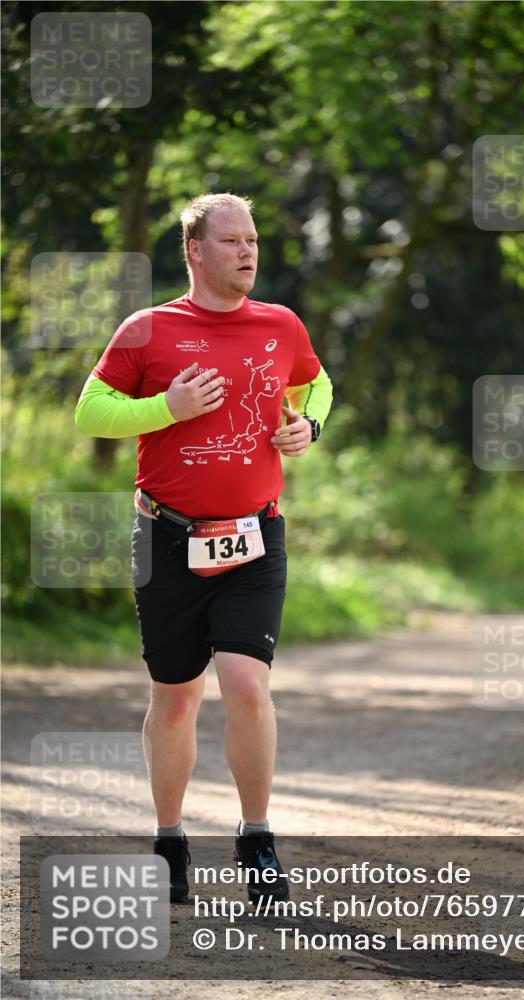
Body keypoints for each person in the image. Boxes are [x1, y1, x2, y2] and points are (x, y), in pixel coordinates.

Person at [75, 192, 333, 903]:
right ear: (195, 251)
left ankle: (257, 837)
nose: (247, 252)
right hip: (166, 536)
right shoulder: (147, 329)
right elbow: (91, 411)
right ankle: (170, 838)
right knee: (175, 697)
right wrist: (168, 408)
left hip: (255, 534)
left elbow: (317, 385)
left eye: (253, 240)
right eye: (231, 241)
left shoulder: (280, 324)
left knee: (246, 684)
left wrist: (309, 427)